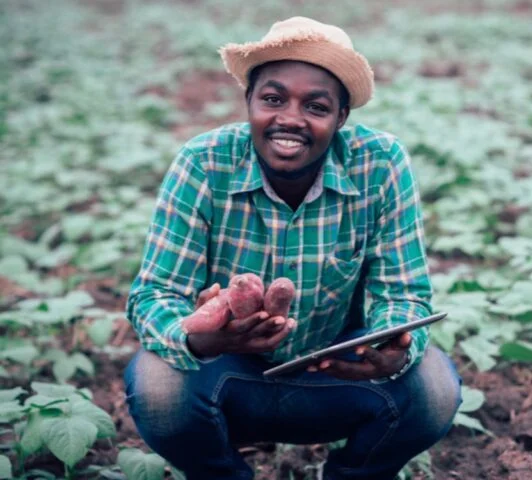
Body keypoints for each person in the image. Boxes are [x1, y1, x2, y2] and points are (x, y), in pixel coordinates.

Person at [123, 16, 463, 480]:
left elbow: (402, 295)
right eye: (273, 99)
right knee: (157, 386)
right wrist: (202, 338)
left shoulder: (380, 164)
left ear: (341, 118)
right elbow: (154, 295)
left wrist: (393, 349)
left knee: (435, 389)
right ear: (249, 101)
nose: (289, 119)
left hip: (337, 375)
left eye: (316, 106)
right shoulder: (203, 162)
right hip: (225, 375)